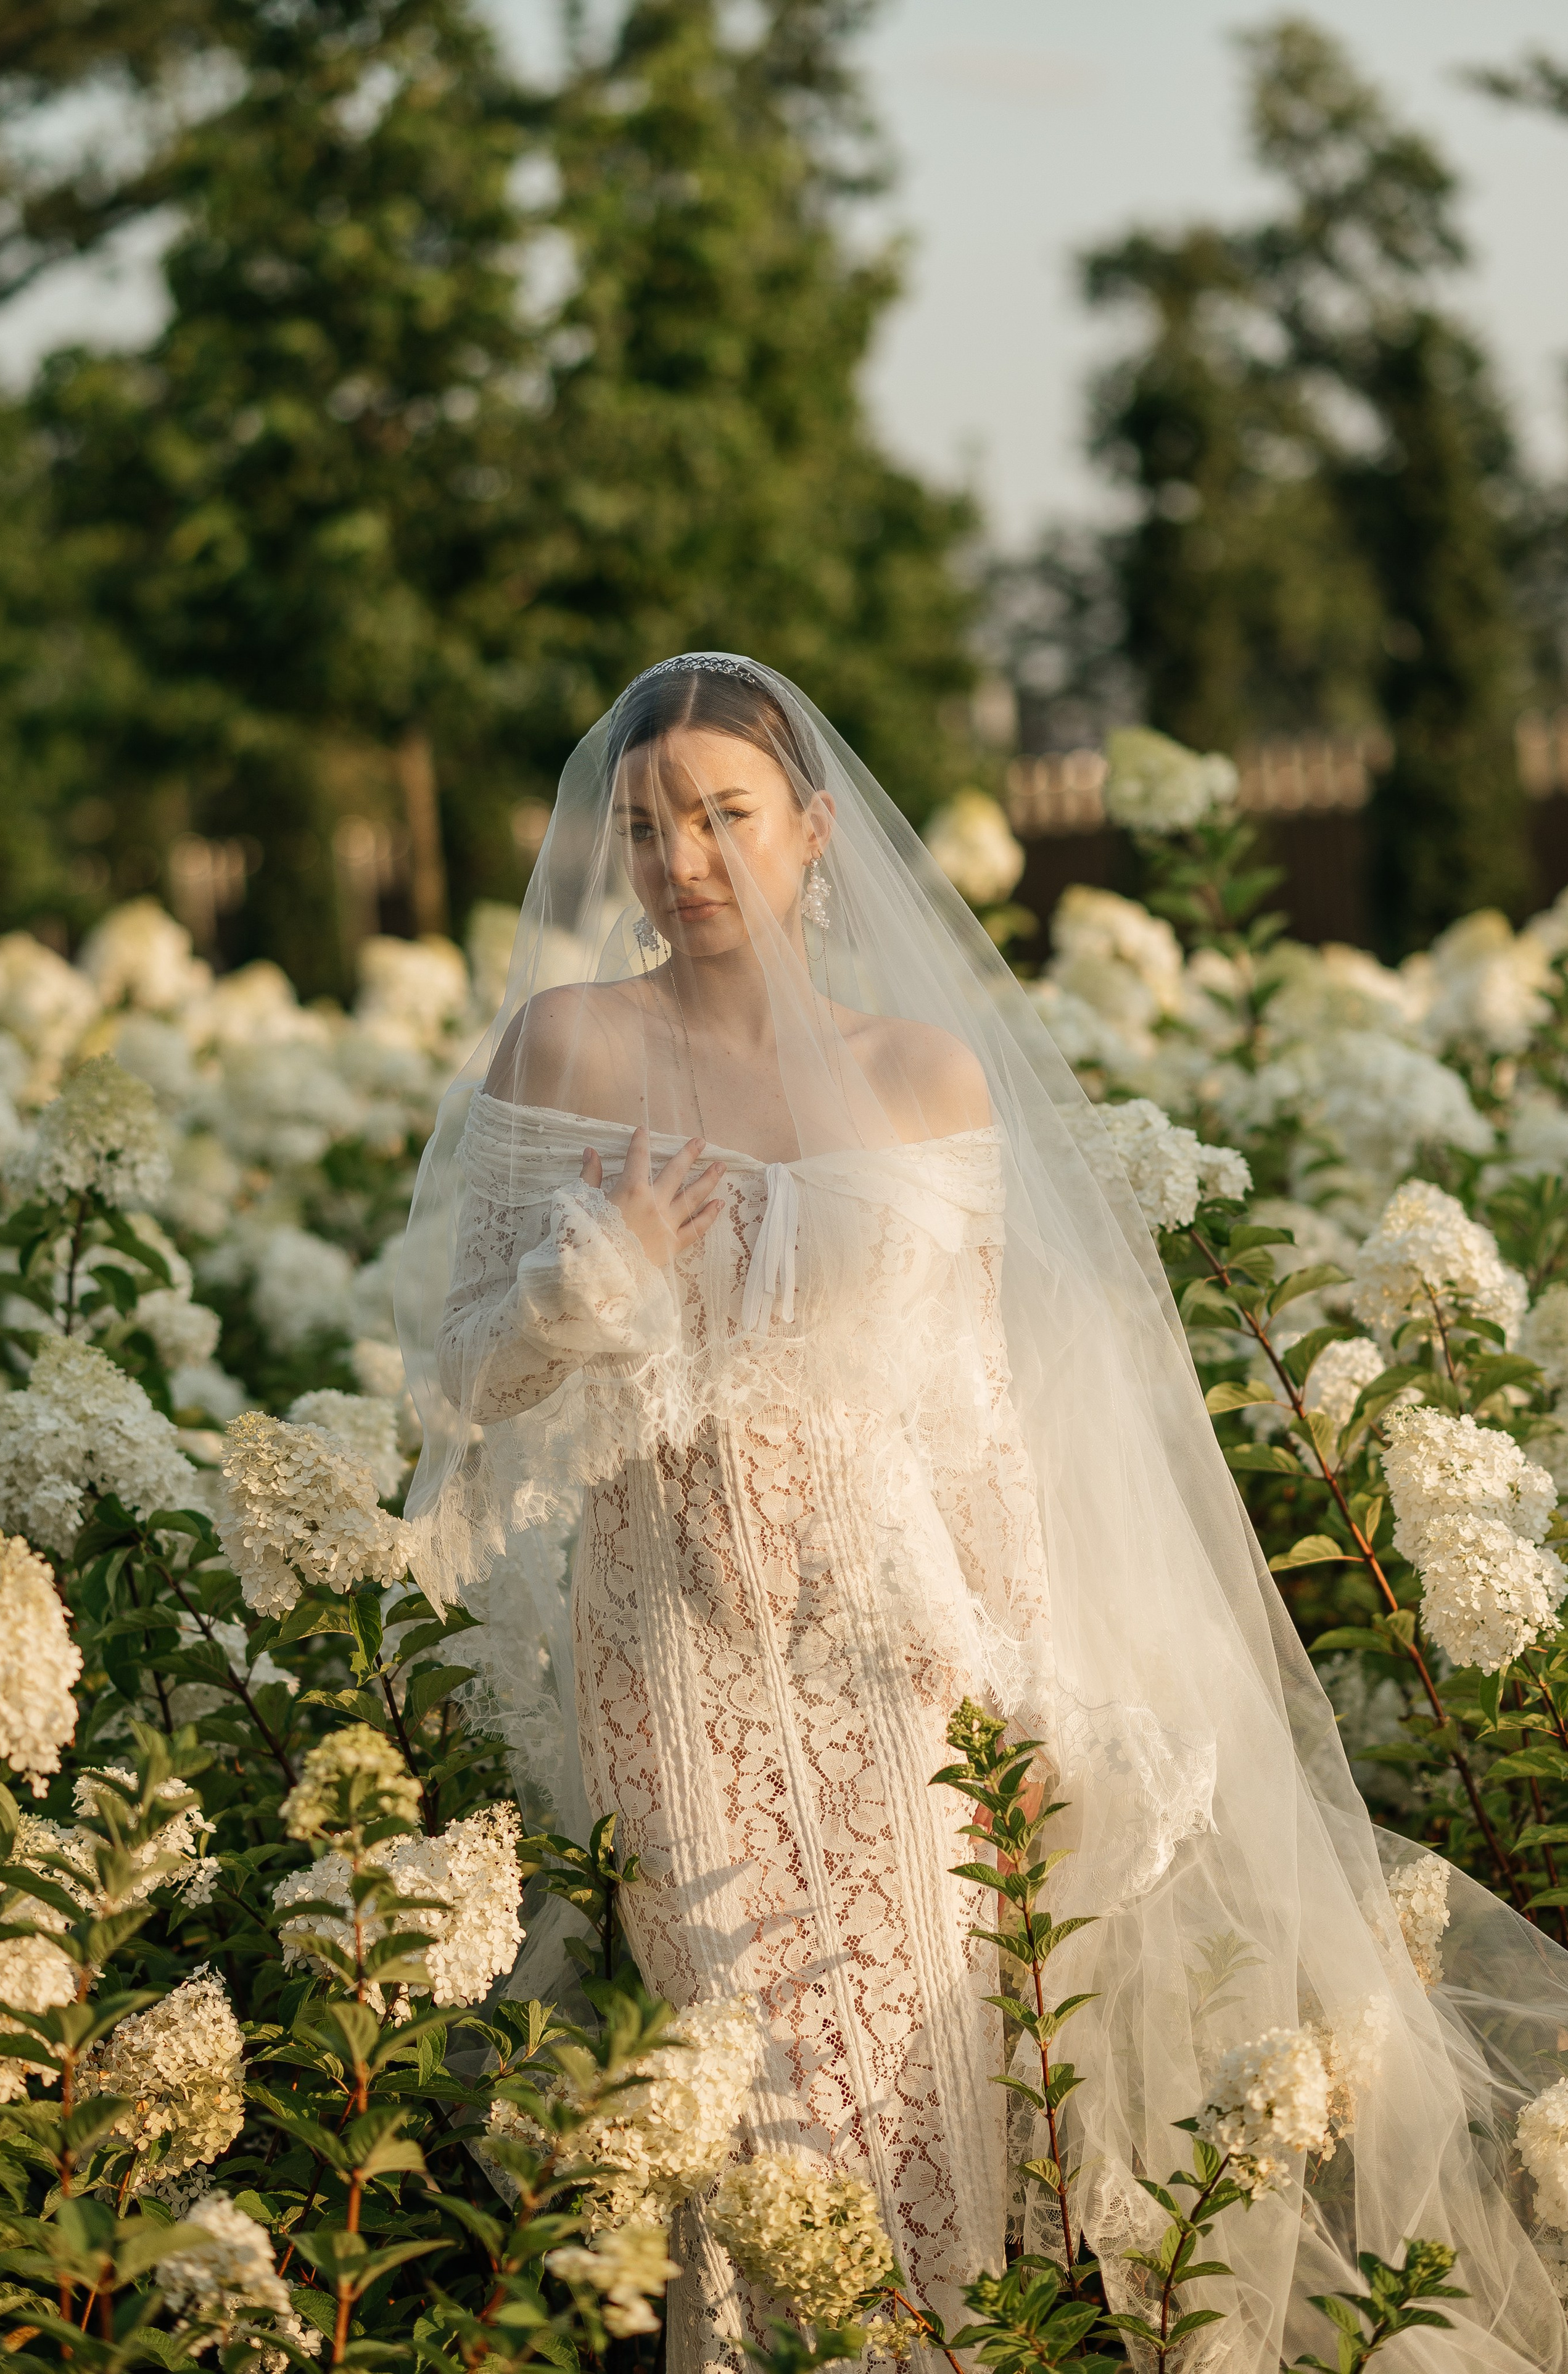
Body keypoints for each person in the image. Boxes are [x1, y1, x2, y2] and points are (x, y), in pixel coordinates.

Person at [399, 655, 1568, 2372]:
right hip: (678, 1665)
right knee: (766, 2095)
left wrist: (1043, 1690)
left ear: (811, 836)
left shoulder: (928, 1079)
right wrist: (596, 1284)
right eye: (649, 827)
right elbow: (461, 1384)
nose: (685, 860)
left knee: (946, 2076)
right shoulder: (569, 1043)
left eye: (726, 817)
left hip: (908, 1656)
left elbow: (980, 1431)